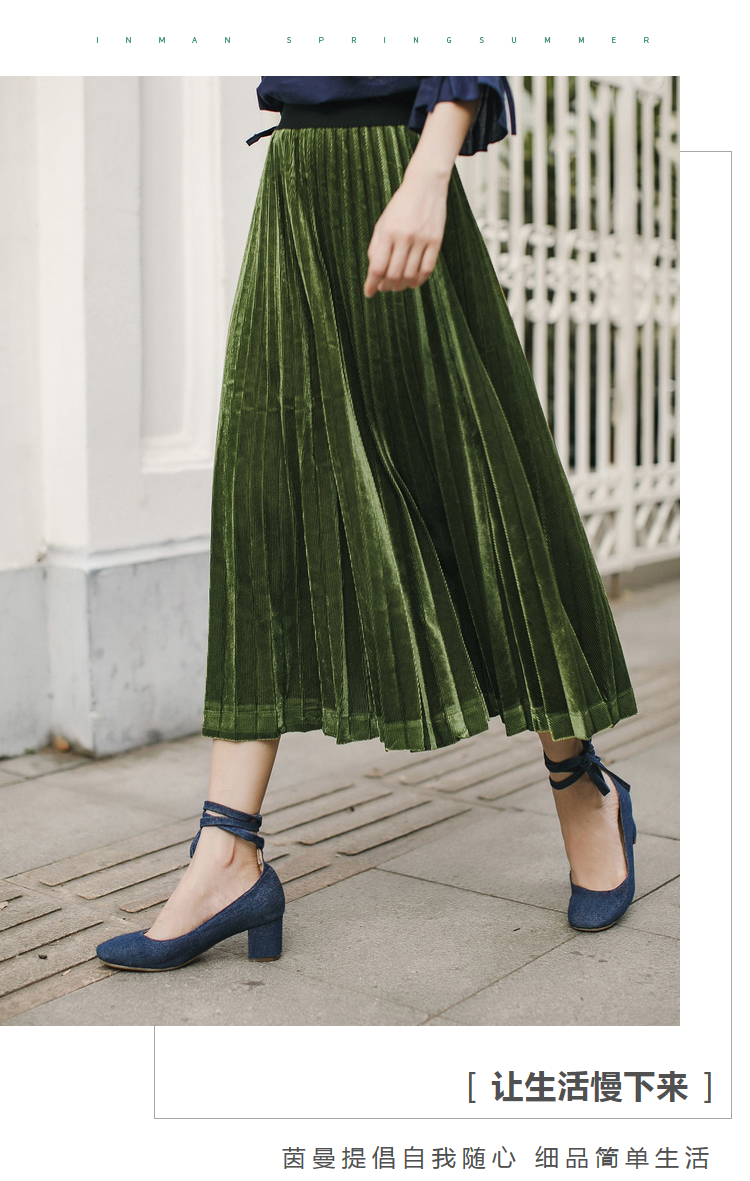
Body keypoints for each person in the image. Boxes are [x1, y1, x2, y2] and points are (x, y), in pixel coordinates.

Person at [96, 76, 638, 973]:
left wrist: (430, 170)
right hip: (295, 184)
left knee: (477, 487)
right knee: (264, 499)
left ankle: (581, 785)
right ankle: (227, 850)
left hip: (396, 164)